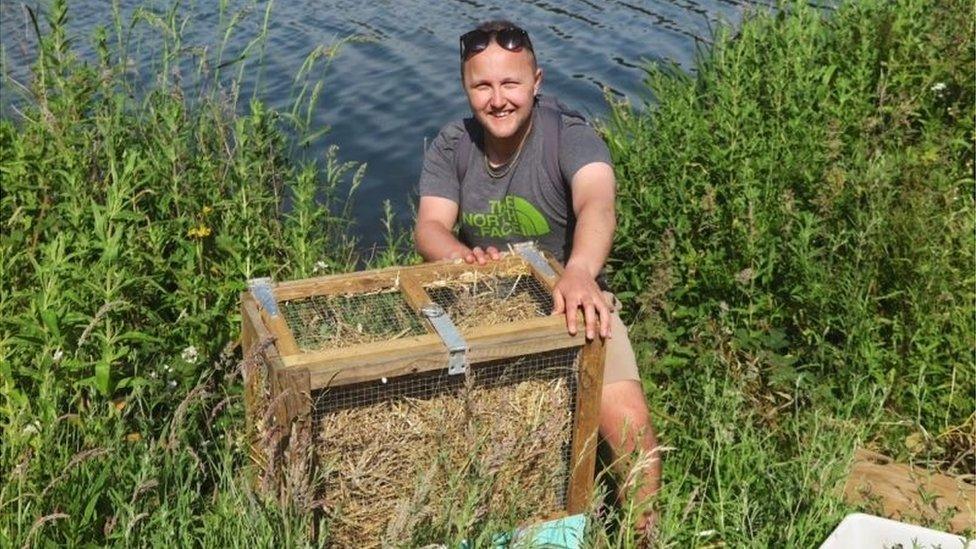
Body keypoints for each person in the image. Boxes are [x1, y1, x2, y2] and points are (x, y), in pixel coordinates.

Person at [414, 20, 661, 532]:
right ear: (466, 88)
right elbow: (430, 227)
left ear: (536, 82)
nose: (498, 99)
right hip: (484, 303)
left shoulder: (568, 133)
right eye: (482, 86)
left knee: (631, 425)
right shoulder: (451, 144)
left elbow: (598, 203)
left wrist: (578, 272)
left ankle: (644, 533)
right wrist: (461, 260)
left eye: (511, 84)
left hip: (570, 298)